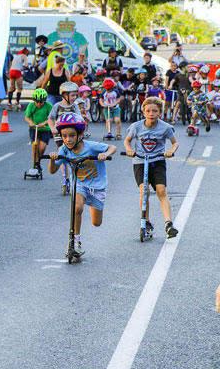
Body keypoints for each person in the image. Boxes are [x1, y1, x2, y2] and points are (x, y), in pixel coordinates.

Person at [49, 113, 116, 258]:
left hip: (97, 187)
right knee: (77, 208)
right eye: (64, 136)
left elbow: (112, 147)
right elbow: (53, 170)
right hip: (80, 184)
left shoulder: (91, 146)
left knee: (96, 223)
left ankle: (92, 208)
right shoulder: (64, 150)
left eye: (72, 135)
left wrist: (105, 154)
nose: (68, 139)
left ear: (80, 134)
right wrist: (53, 158)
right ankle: (75, 242)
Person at [123, 97, 179, 238]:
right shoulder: (136, 127)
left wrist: (171, 151)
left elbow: (175, 143)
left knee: (161, 190)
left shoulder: (165, 127)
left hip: (158, 160)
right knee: (144, 191)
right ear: (143, 112)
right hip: (140, 161)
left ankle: (168, 224)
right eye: (148, 111)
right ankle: (145, 222)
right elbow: (127, 141)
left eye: (154, 111)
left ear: (160, 112)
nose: (151, 114)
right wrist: (129, 149)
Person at [24, 88, 53, 174]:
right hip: (34, 128)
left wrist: (44, 123)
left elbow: (51, 118)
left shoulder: (48, 106)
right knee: (34, 146)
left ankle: (38, 161)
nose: (38, 104)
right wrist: (31, 123)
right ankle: (36, 164)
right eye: (36, 102)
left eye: (41, 102)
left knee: (42, 147)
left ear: (44, 101)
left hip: (45, 129)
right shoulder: (31, 106)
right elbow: (27, 117)